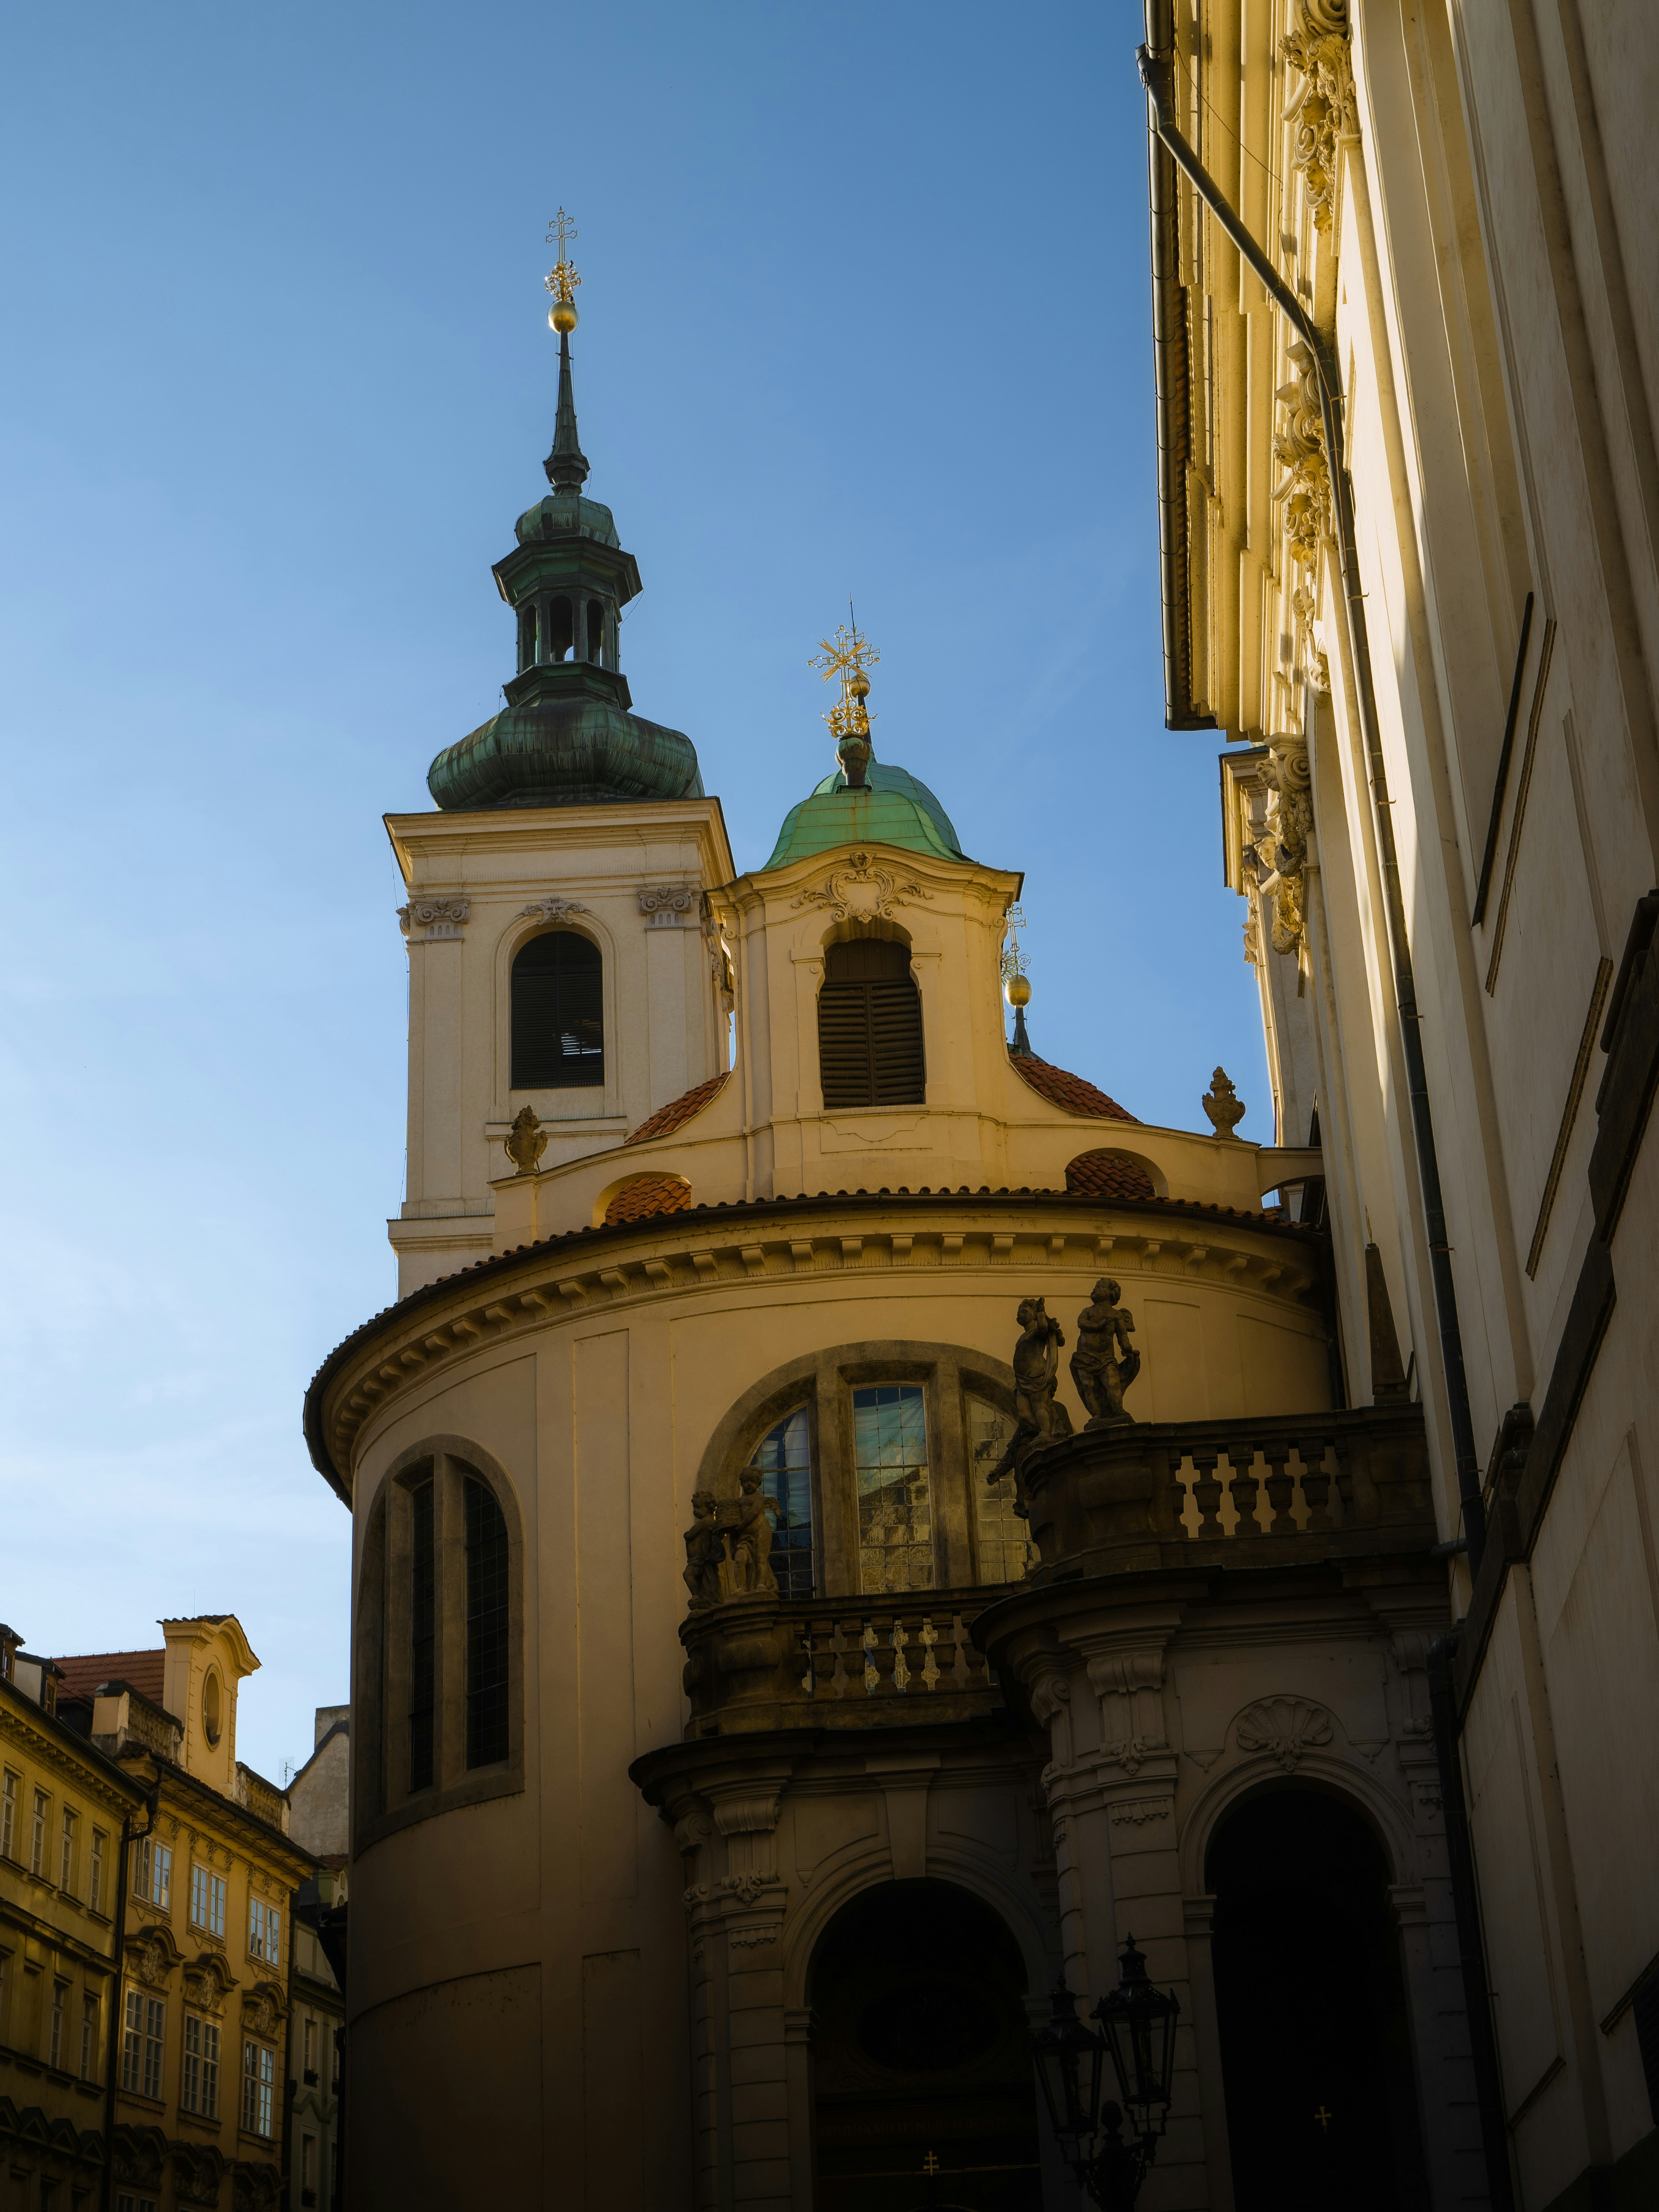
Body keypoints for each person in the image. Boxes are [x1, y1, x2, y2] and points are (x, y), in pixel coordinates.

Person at [1071, 1278, 1141, 1427]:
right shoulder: (1088, 1311)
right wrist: (1098, 1326)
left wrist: (1126, 1345)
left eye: (1100, 1286)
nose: (1095, 1289)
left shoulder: (1116, 1315)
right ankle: (1097, 1415)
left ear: (1111, 1293)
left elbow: (1122, 1335)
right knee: (1088, 1386)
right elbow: (1081, 1323)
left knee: (1113, 1383)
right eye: (1096, 1286)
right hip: (1085, 1357)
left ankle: (1118, 1410)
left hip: (1106, 1358)